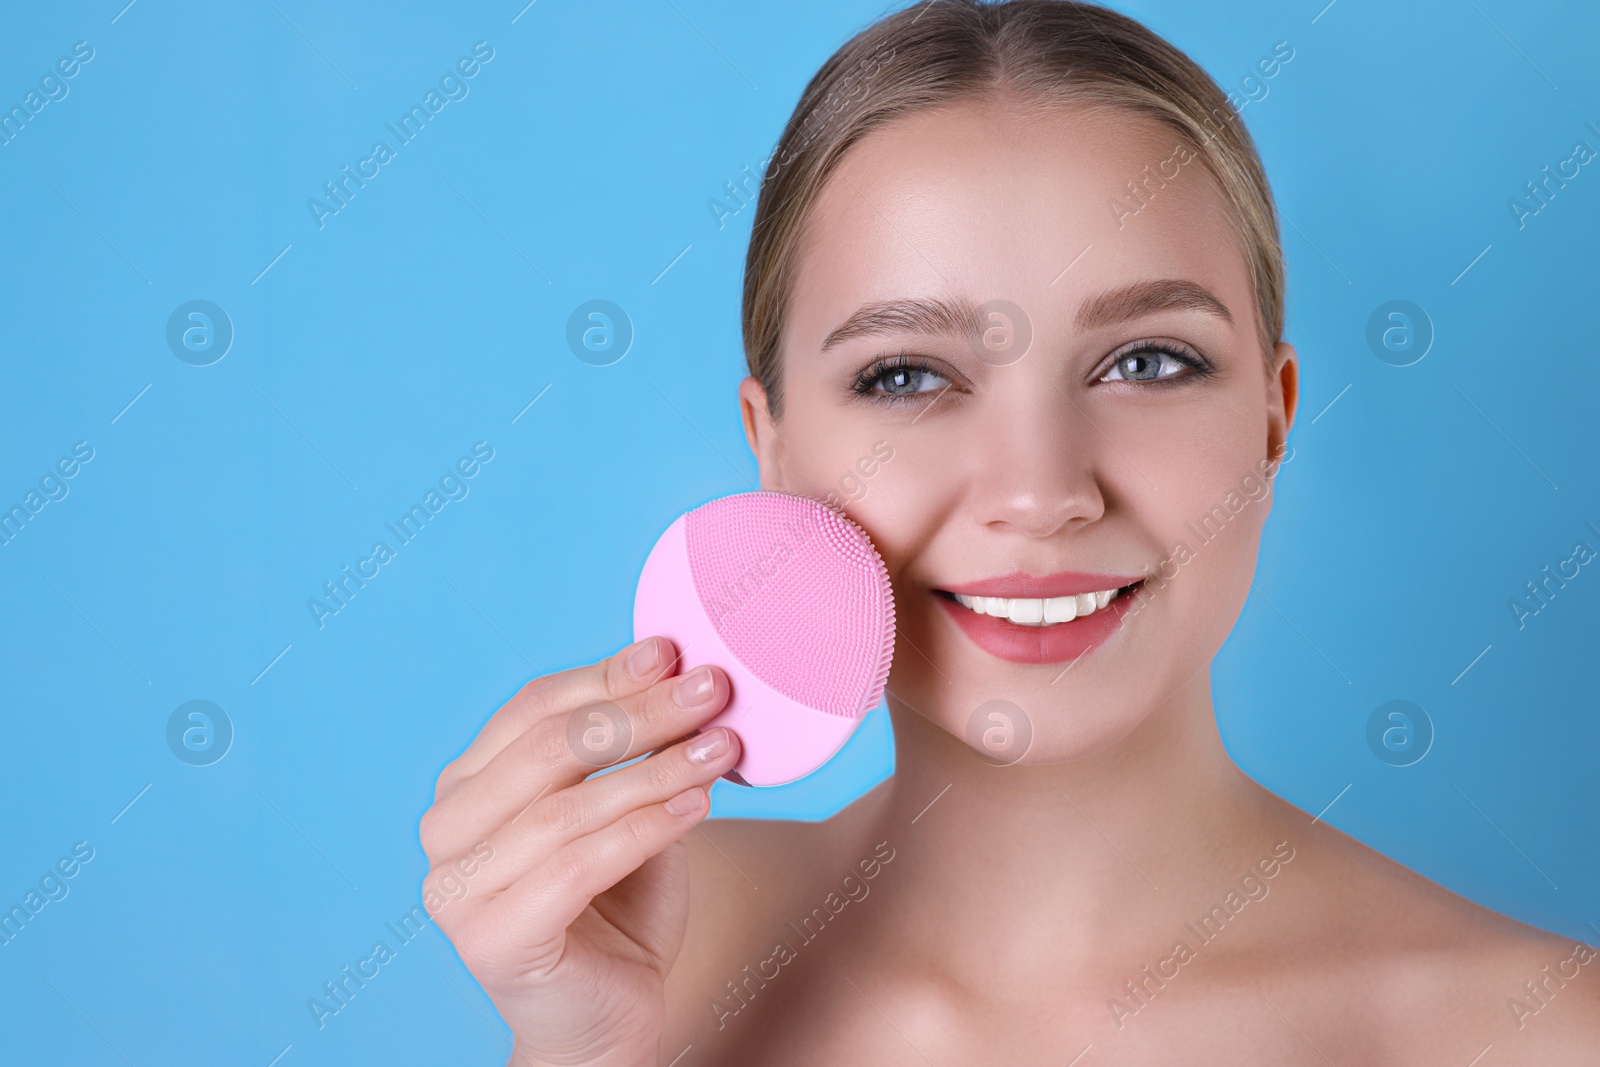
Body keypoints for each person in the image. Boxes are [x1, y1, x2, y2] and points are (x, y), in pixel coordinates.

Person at [419, 2, 1600, 1062]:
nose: (1039, 494)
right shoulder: (636, 947)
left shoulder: (1541, 1030)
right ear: (769, 447)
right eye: (905, 376)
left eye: (1147, 361)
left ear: (1275, 419)